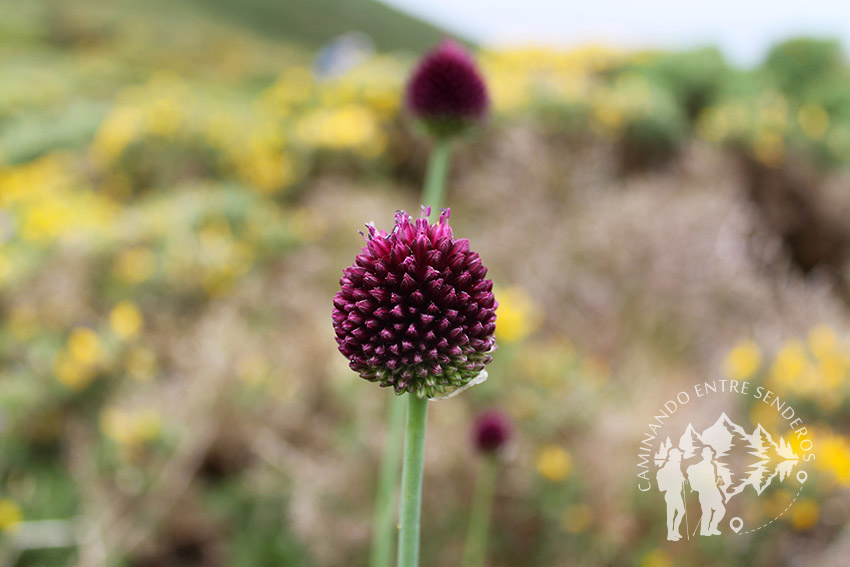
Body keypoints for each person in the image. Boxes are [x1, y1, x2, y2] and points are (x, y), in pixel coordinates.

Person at [686, 447, 725, 536]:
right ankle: (706, 530)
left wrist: (717, 482)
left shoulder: (711, 466)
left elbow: (710, 481)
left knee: (719, 510)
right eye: (708, 454)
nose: (710, 456)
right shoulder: (701, 466)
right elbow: (704, 482)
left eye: (710, 454)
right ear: (704, 455)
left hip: (712, 492)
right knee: (708, 512)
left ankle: (711, 528)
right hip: (705, 493)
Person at [656, 448, 686, 541]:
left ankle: (675, 531)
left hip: (676, 493)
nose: (680, 457)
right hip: (671, 494)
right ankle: (670, 534)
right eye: (679, 455)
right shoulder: (669, 466)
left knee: (681, 511)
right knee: (671, 514)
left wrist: (682, 479)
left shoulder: (676, 466)